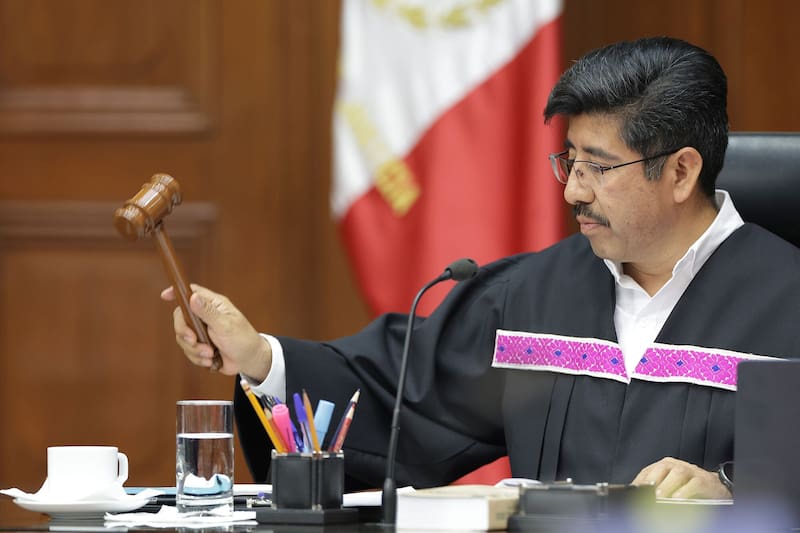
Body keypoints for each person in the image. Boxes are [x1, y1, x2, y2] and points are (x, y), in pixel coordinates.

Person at [162, 37, 800, 499]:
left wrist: (732, 490)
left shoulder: (788, 303)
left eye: (599, 168)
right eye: (569, 161)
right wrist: (259, 358)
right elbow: (399, 395)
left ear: (682, 171)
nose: (573, 190)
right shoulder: (532, 296)